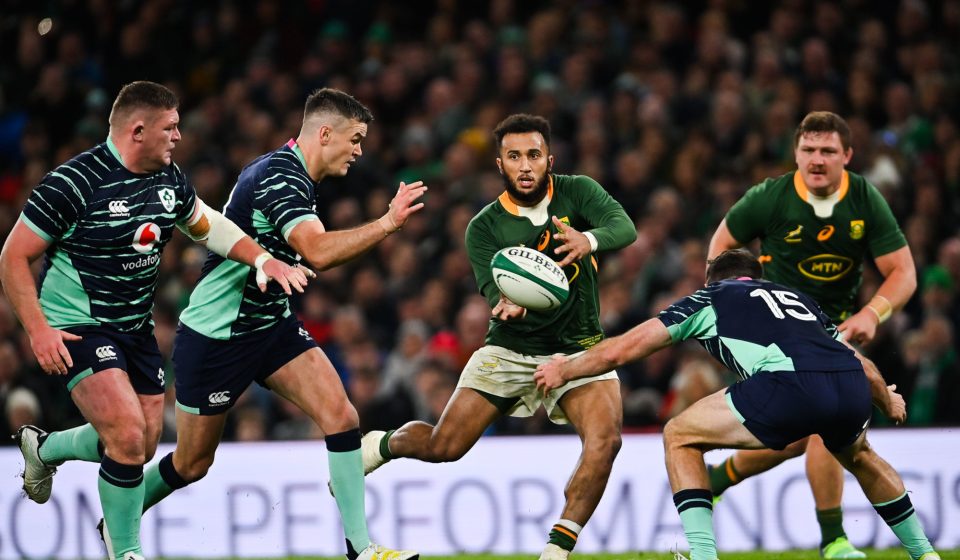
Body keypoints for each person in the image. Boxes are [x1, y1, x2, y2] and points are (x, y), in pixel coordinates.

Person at [107, 88, 424, 560]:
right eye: (355, 139)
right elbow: (315, 249)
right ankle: (117, 522)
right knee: (192, 463)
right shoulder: (281, 178)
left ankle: (361, 548)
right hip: (216, 335)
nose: (359, 150)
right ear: (324, 133)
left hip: (269, 324)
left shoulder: (294, 174)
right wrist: (386, 224)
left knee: (342, 416)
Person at [0, 81, 307, 560]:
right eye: (171, 127)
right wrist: (38, 329)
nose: (179, 136)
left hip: (135, 329)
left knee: (141, 446)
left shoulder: (169, 179)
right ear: (137, 131)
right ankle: (127, 552)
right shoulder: (74, 183)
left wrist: (263, 260)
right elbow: (12, 256)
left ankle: (46, 449)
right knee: (124, 435)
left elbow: (207, 223)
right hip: (77, 324)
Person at [534, 249, 939, 560]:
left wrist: (565, 370)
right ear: (755, 277)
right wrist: (887, 397)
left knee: (679, 435)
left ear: (714, 279)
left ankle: (703, 554)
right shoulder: (797, 298)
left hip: (788, 383)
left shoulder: (710, 298)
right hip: (848, 385)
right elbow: (857, 361)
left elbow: (623, 349)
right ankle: (926, 553)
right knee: (862, 455)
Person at [358, 114, 637, 560]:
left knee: (606, 440)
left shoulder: (579, 191)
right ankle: (380, 444)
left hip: (579, 347)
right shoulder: (484, 227)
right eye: (514, 157)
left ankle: (556, 552)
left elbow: (625, 228)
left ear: (550, 158)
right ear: (499, 164)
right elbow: (492, 286)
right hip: (510, 348)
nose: (525, 165)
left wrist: (589, 240)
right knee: (443, 446)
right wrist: (505, 300)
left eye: (533, 155)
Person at [704, 111, 917, 559]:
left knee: (804, 434)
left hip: (836, 327)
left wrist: (873, 313)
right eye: (808, 150)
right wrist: (738, 305)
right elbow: (720, 249)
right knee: (819, 428)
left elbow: (903, 272)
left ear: (848, 156)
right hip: (778, 331)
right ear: (795, 153)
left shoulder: (864, 198)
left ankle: (719, 481)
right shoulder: (769, 198)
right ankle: (834, 540)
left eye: (827, 151)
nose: (816, 160)